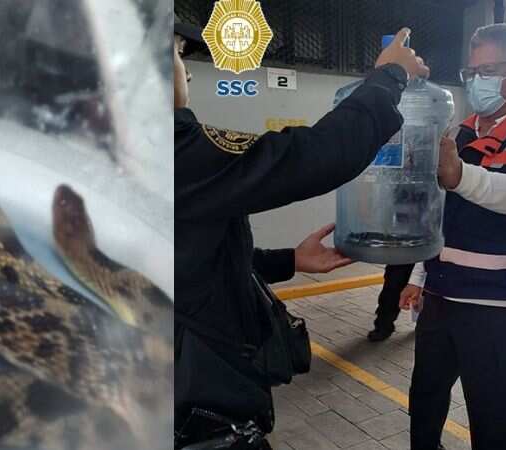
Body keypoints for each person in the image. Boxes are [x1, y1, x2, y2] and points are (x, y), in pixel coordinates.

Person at [174, 15, 430, 448]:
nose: (185, 74)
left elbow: (189, 258)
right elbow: (310, 157)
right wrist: (390, 76)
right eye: (178, 56)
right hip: (199, 418)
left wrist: (288, 260)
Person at [399, 23, 506, 450]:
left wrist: (459, 175)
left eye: (491, 69)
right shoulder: (459, 132)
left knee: (492, 415)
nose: (478, 80)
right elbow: (440, 212)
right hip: (440, 299)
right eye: (472, 72)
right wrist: (419, 277)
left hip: (495, 309)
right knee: (425, 400)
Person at [368, 264, 414, 341]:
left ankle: (424, 325)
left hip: (428, 260)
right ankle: (383, 326)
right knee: (391, 292)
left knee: (427, 295)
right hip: (401, 260)